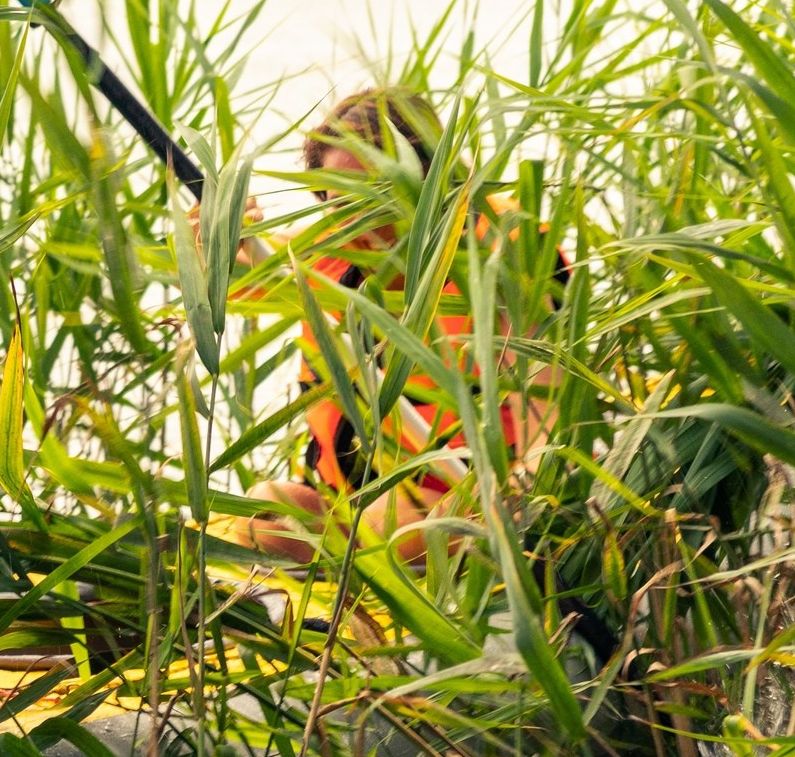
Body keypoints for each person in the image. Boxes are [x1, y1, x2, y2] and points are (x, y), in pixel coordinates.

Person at [223, 87, 562, 564]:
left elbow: (544, 433)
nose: (359, 221)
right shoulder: (326, 251)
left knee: (391, 524)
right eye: (341, 202)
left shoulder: (504, 257)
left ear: (430, 180)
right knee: (262, 510)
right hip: (360, 506)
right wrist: (215, 237)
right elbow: (234, 268)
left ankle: (373, 566)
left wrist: (510, 511)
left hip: (469, 497)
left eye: (379, 195)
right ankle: (355, 571)